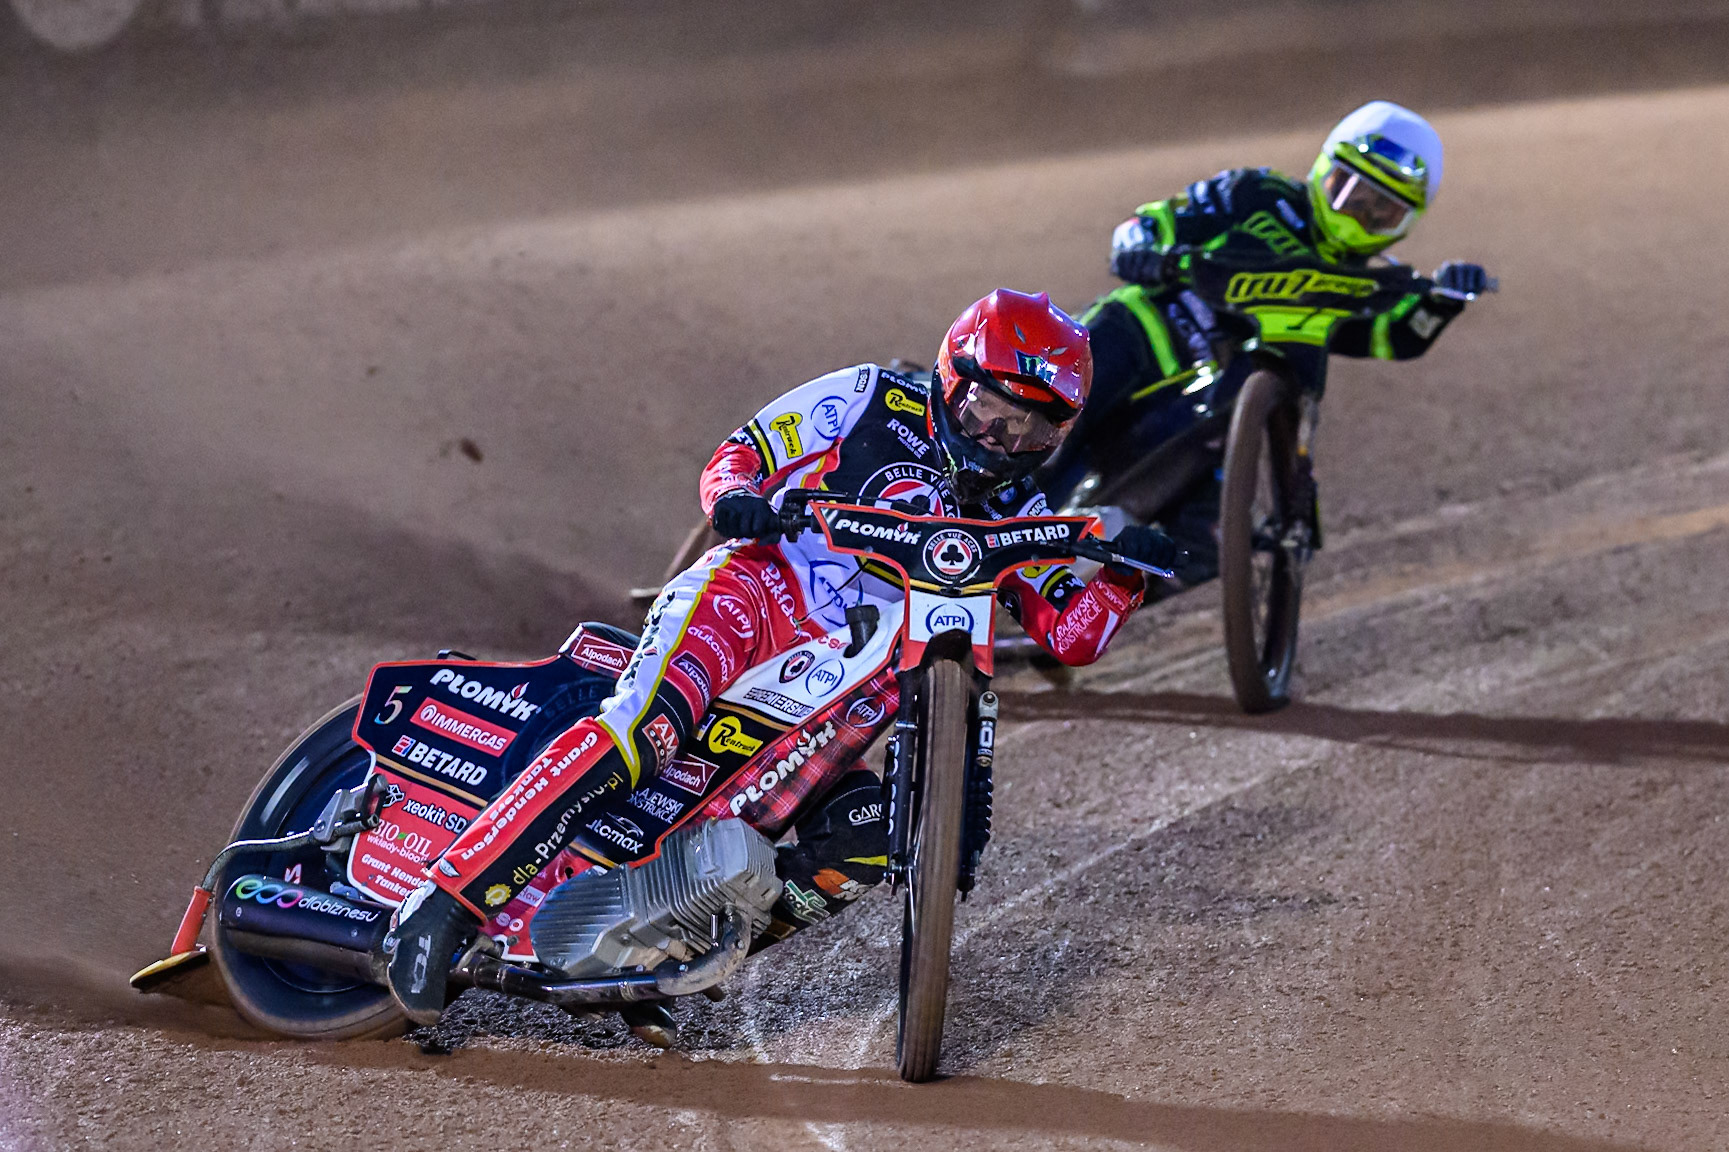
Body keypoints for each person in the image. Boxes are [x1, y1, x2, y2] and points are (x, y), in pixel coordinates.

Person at [382, 289, 1178, 1027]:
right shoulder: (870, 394)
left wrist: (1122, 577)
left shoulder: (1021, 509)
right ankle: (443, 902)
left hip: (838, 695)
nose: (1000, 443)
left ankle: (653, 959)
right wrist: (740, 500)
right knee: (642, 734)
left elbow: (1071, 636)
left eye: (1029, 431)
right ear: (949, 376)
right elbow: (741, 454)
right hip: (753, 599)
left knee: (866, 842)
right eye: (988, 413)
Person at [1045, 100, 1491, 589]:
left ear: (1404, 219)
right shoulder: (1253, 195)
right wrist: (1139, 247)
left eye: (1377, 208)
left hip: (1212, 406)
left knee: (1204, 548)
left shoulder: (1365, 285)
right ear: (1323, 169)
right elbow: (1153, 223)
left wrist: (1442, 301)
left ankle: (1074, 613)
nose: (1356, 211)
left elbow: (1394, 337)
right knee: (1049, 421)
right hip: (1143, 332)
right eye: (1346, 190)